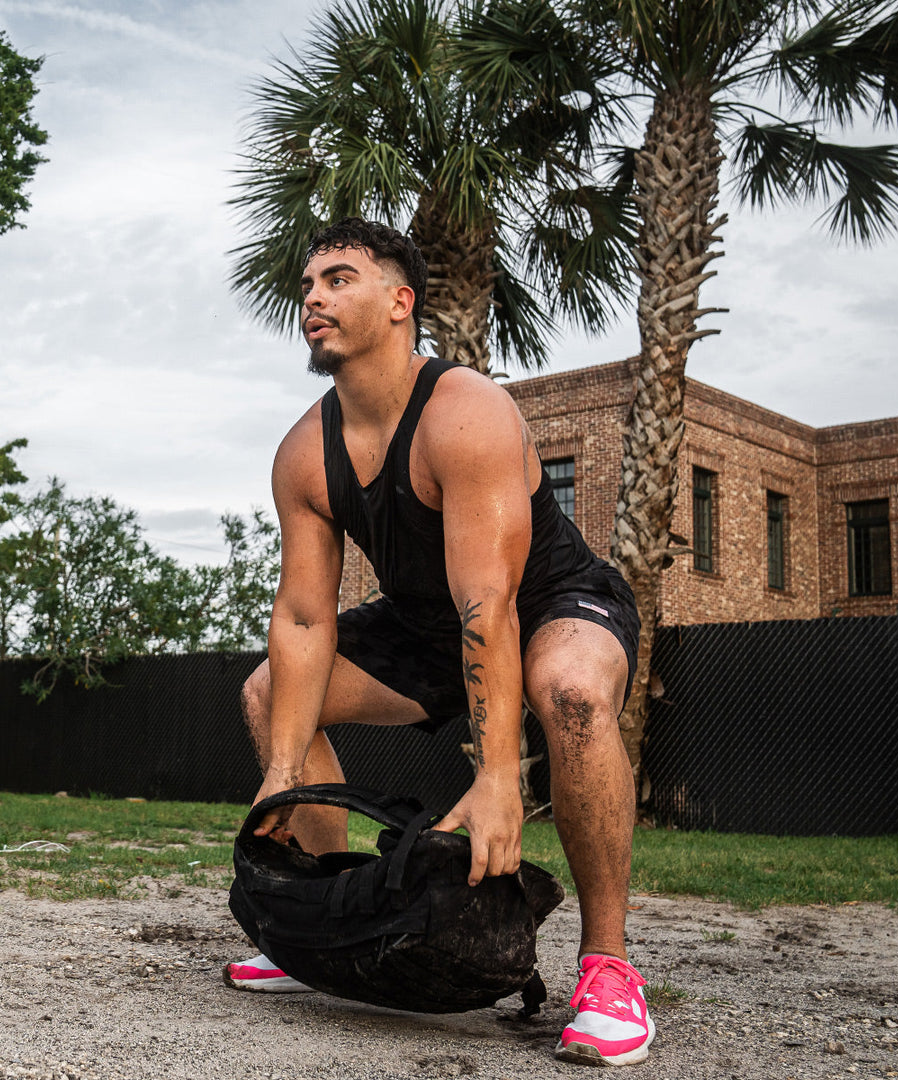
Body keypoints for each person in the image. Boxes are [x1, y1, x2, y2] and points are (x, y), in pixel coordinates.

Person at [223, 217, 654, 1067]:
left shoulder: (466, 413)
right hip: (426, 622)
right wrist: (279, 774)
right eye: (308, 284)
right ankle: (330, 928)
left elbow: (487, 599)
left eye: (339, 278)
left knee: (571, 692)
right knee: (271, 694)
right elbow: (308, 619)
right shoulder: (304, 453)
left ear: (399, 302)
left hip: (548, 600)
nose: (313, 297)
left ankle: (609, 970)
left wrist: (497, 777)